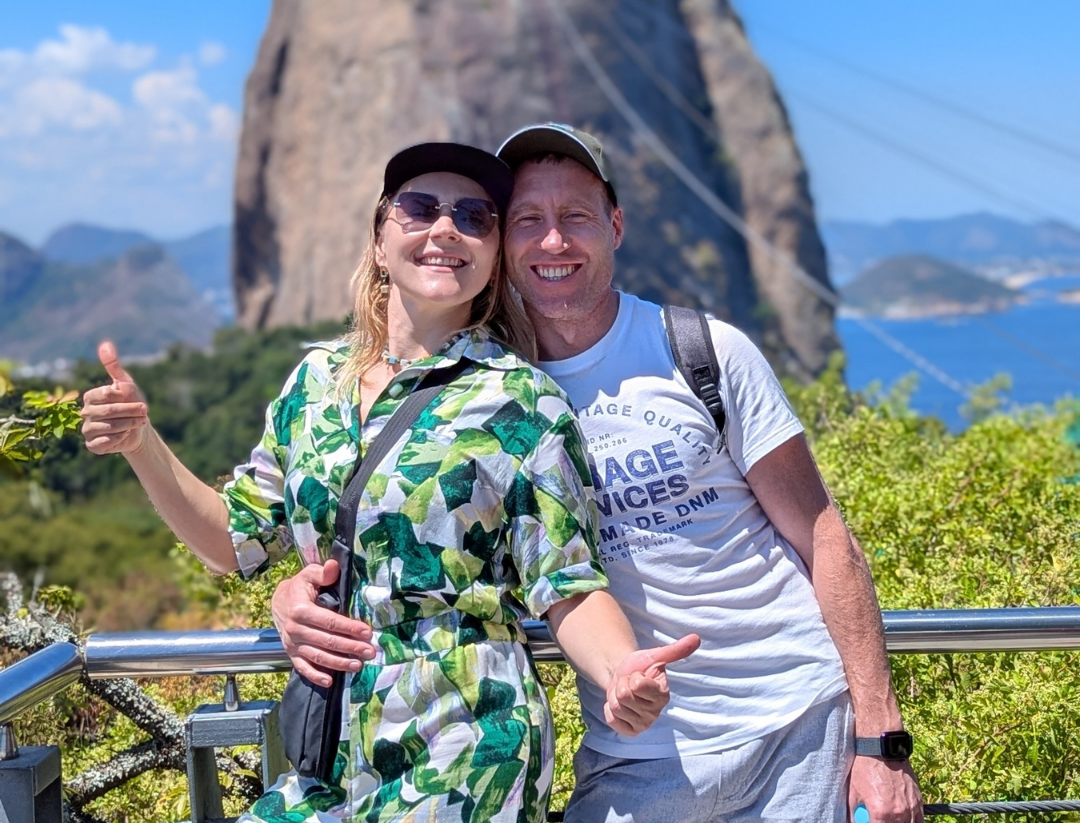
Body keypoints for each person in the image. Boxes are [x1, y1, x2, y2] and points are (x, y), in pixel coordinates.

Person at [272, 125, 925, 823]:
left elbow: (824, 536)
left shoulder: (703, 352)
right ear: (501, 246)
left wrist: (880, 742)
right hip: (632, 749)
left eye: (576, 216)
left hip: (794, 728)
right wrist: (300, 590)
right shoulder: (486, 395)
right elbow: (400, 524)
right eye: (528, 220)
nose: (553, 241)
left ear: (615, 225)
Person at [79, 141, 699, 823]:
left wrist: (620, 671)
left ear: (493, 258)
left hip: (468, 744)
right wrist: (141, 443)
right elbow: (233, 539)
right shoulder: (315, 385)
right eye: (421, 208)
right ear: (380, 240)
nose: (446, 228)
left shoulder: (520, 402)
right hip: (328, 750)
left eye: (474, 216)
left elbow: (567, 582)